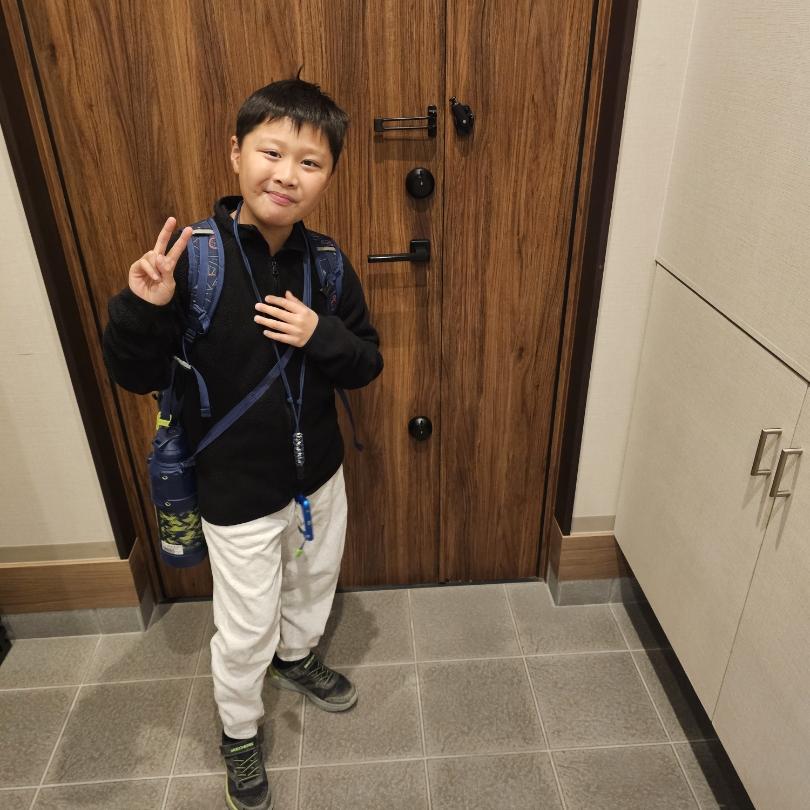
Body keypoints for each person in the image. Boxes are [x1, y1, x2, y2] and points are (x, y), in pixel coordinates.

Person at [103, 78, 383, 810]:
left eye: (310, 162)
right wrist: (142, 307)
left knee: (313, 588)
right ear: (236, 153)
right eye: (271, 152)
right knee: (245, 626)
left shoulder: (327, 263)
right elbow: (134, 374)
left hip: (318, 477)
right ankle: (238, 729)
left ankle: (299, 659)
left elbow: (367, 362)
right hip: (234, 490)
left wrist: (320, 334)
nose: (287, 175)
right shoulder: (196, 260)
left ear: (329, 175)